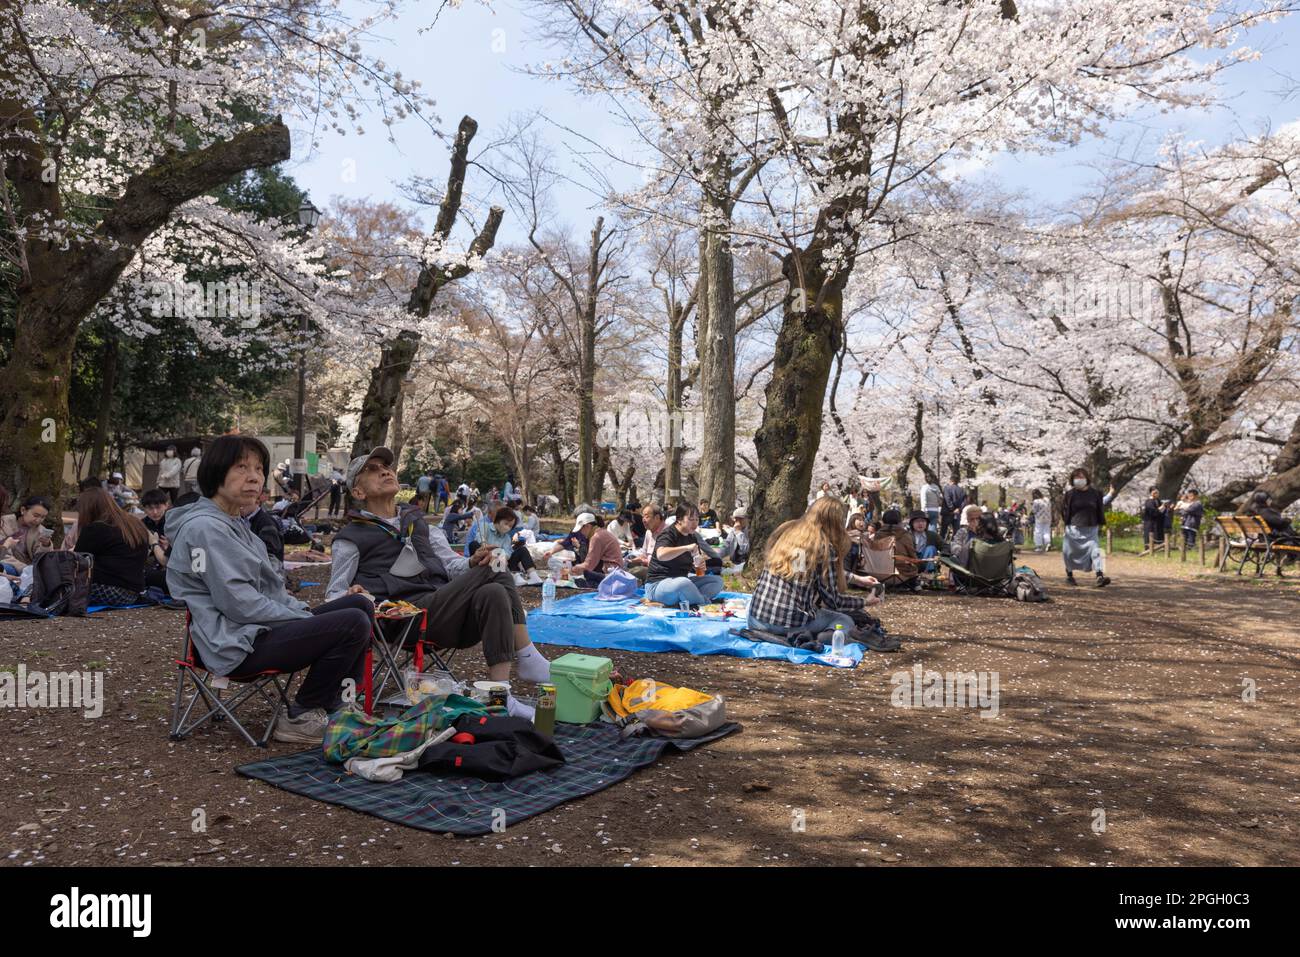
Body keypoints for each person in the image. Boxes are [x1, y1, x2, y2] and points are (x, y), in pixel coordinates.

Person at [166, 435, 372, 744]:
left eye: (259, 469)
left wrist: (301, 613)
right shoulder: (205, 528)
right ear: (215, 472)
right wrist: (304, 619)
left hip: (258, 628)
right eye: (241, 467)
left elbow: (269, 592)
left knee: (359, 606)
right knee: (351, 623)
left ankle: (339, 706)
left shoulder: (235, 523)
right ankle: (301, 715)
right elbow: (239, 605)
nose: (253, 477)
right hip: (235, 642)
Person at [325, 448, 550, 705]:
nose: (385, 470)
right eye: (372, 470)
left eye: (386, 466)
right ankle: (528, 656)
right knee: (493, 570)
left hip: (444, 611)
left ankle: (502, 696)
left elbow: (450, 565)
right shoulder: (350, 538)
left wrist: (471, 562)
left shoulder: (422, 526)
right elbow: (334, 595)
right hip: (400, 620)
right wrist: (352, 596)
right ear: (358, 492)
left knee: (494, 582)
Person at [749, 497, 881, 638]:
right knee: (844, 620)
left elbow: (805, 570)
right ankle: (828, 636)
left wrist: (857, 579)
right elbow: (834, 601)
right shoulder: (823, 546)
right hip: (788, 624)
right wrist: (865, 601)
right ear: (836, 522)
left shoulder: (789, 533)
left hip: (755, 620)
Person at [73, 487, 149, 607]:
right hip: (133, 593)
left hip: (110, 591)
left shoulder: (96, 529)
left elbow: (78, 560)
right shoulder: (134, 523)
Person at [644, 504, 725, 607]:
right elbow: (661, 554)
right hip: (658, 585)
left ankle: (688, 601)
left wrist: (700, 566)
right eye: (691, 519)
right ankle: (702, 603)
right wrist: (685, 548)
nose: (695, 523)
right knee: (683, 584)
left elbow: (696, 564)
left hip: (681, 581)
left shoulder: (692, 537)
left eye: (696, 519)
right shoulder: (668, 534)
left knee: (717, 581)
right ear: (679, 519)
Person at [1061, 468, 1113, 587]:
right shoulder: (1069, 494)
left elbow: (1100, 506)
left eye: (1081, 477)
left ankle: (1099, 575)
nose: (1079, 480)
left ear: (1087, 478)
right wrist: (1067, 523)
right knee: (1068, 552)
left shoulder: (1095, 493)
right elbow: (1063, 510)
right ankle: (1069, 576)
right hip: (1073, 528)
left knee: (1096, 551)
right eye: (1076, 477)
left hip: (1091, 527)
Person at [475, 506, 544, 585]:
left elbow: (508, 552)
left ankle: (534, 576)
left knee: (522, 550)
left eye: (510, 526)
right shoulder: (485, 527)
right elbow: (480, 539)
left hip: (502, 562)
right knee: (475, 546)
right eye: (506, 523)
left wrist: (504, 556)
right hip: (486, 560)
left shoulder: (506, 537)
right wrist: (491, 550)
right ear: (497, 520)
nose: (507, 527)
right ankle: (511, 576)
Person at [567, 513, 626, 586]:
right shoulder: (602, 532)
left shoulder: (596, 537)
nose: (581, 533)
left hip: (610, 575)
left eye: (581, 529)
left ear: (587, 526)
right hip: (615, 571)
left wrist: (573, 569)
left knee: (580, 580)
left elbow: (589, 565)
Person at [1, 495, 55, 574]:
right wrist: (25, 569)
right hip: (9, 565)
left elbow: (41, 559)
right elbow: (3, 554)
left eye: (43, 517)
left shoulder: (40, 530)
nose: (38, 520)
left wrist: (45, 545)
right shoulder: (4, 523)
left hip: (30, 569)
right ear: (23, 510)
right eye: (35, 515)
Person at [139, 488, 174, 594]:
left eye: (158, 507)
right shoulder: (141, 525)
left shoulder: (173, 523)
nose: (155, 512)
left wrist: (170, 546)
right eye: (150, 508)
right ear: (144, 508)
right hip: (149, 565)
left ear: (166, 505)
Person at [877, 508, 920, 591]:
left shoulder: (878, 534)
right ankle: (913, 584)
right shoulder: (904, 535)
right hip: (901, 572)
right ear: (899, 521)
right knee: (915, 565)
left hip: (879, 571)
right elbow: (912, 554)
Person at [627, 503, 667, 584]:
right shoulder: (649, 531)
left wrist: (644, 561)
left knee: (632, 573)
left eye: (647, 516)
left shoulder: (667, 532)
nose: (643, 520)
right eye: (643, 517)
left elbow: (664, 561)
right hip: (648, 565)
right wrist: (637, 558)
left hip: (661, 572)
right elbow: (644, 552)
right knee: (628, 565)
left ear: (657, 518)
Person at [906, 510, 941, 575]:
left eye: (923, 521)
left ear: (926, 523)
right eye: (917, 521)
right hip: (913, 562)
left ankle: (928, 574)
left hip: (927, 562)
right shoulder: (907, 536)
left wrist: (942, 555)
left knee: (931, 548)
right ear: (912, 524)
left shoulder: (932, 535)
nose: (920, 524)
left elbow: (945, 546)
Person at [940, 474, 966, 540]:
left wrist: (952, 509)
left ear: (950, 480)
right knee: (956, 531)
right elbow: (964, 502)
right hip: (957, 513)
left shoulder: (947, 488)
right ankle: (954, 545)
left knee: (944, 530)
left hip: (947, 512)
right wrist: (959, 509)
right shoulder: (962, 490)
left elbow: (947, 499)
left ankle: (941, 545)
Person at [1140, 487, 1166, 552]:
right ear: (1151, 493)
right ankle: (1149, 549)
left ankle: (1159, 548)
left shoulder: (1158, 500)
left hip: (1158, 522)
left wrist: (1165, 508)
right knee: (1151, 534)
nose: (1157, 494)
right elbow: (1152, 511)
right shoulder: (1149, 501)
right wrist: (1160, 509)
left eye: (1157, 493)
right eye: (1155, 493)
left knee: (1159, 534)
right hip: (1150, 522)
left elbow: (1162, 510)